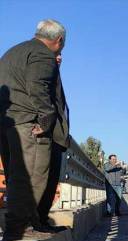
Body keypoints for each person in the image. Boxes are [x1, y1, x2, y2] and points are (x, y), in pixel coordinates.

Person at [0, 19, 67, 241]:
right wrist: (46, 120)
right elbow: (38, 88)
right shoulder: (42, 54)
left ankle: (29, 223)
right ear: (59, 40)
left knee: (16, 176)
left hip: (7, 122)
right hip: (28, 123)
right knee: (31, 176)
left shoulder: (14, 51)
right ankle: (21, 227)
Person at [36, 52, 70, 231]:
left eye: (59, 56)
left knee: (51, 179)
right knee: (42, 178)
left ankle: (42, 220)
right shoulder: (41, 73)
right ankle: (36, 222)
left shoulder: (55, 75)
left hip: (56, 136)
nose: (59, 58)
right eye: (55, 55)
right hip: (46, 136)